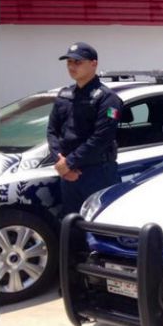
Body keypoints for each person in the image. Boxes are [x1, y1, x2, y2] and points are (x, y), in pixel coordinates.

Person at [47, 41, 122, 215]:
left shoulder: (108, 99)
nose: (72, 67)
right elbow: (52, 131)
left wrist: (69, 163)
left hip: (97, 173)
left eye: (77, 62)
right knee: (72, 227)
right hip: (69, 174)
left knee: (100, 224)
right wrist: (61, 164)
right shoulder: (64, 95)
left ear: (93, 63)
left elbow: (102, 138)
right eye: (69, 62)